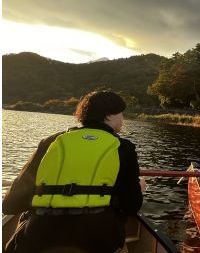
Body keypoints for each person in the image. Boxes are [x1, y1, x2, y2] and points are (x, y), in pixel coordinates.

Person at [3, 90, 146, 253]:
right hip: (96, 242)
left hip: (36, 239)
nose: (123, 119)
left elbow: (11, 204)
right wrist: (138, 188)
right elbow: (131, 206)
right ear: (108, 116)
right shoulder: (124, 148)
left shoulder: (50, 142)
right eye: (121, 113)